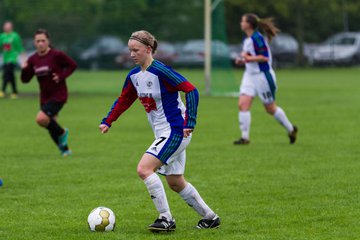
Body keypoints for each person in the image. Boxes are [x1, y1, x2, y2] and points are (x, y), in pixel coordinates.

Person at [99, 30, 220, 232]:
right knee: (175, 182)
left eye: (135, 50)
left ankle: (166, 219)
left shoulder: (162, 71)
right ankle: (210, 217)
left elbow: (191, 90)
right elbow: (124, 100)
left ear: (148, 49)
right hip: (164, 134)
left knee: (144, 169)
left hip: (175, 131)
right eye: (129, 50)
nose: (131, 54)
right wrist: (108, 120)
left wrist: (190, 121)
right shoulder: (134, 76)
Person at [234, 13, 298, 145]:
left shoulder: (257, 39)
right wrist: (243, 60)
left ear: (249, 24)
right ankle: (245, 138)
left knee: (270, 108)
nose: (241, 23)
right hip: (249, 76)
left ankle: (291, 129)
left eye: (242, 21)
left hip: (262, 76)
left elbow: (264, 57)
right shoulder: (247, 40)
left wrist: (247, 57)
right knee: (243, 104)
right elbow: (250, 58)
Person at [21, 29, 77, 156]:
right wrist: (24, 69)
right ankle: (65, 150)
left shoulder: (57, 55)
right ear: (34, 43)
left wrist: (61, 76)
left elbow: (73, 65)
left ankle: (63, 132)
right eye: (37, 41)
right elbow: (25, 80)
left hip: (59, 95)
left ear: (48, 41)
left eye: (43, 41)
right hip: (44, 97)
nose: (40, 43)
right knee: (51, 125)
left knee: (41, 119)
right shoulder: (33, 59)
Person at [0, 21, 26, 99]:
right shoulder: (2, 36)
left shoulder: (15, 36)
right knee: (10, 75)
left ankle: (2, 90)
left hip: (12, 57)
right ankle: (14, 92)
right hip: (5, 58)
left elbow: (19, 47)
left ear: (11, 27)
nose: (6, 28)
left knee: (6, 73)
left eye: (8, 27)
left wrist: (24, 58)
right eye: (5, 27)